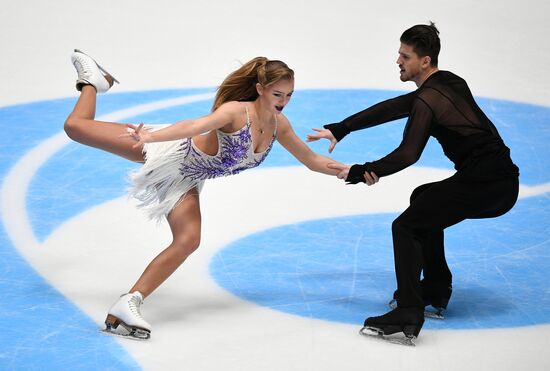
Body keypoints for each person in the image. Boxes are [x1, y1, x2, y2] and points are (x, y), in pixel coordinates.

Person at [64, 50, 344, 339]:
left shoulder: (278, 125)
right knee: (75, 127)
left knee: (188, 240)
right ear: (260, 89)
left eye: (289, 96)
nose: (283, 102)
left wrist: (353, 170)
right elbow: (194, 126)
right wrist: (150, 137)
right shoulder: (236, 112)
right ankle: (92, 82)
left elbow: (311, 160)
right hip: (167, 151)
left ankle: (129, 302)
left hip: (187, 178)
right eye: (277, 94)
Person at [307, 23, 519, 345]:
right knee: (423, 198)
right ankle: (435, 287)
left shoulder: (428, 99)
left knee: (405, 227)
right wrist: (343, 127)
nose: (398, 61)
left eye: (405, 56)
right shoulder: (448, 83)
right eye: (399, 54)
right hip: (499, 182)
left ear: (425, 60)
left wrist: (364, 170)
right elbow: (394, 107)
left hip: (486, 183)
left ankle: (408, 310)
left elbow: (409, 153)